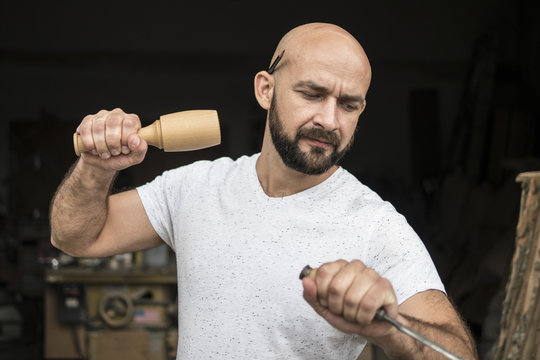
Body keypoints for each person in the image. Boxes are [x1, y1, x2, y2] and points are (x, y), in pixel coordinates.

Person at [50, 23, 477, 359]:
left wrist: (391, 327)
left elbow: (455, 353)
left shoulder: (375, 225)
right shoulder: (196, 187)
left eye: (348, 104)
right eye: (312, 93)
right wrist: (95, 167)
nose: (329, 120)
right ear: (265, 90)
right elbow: (75, 236)